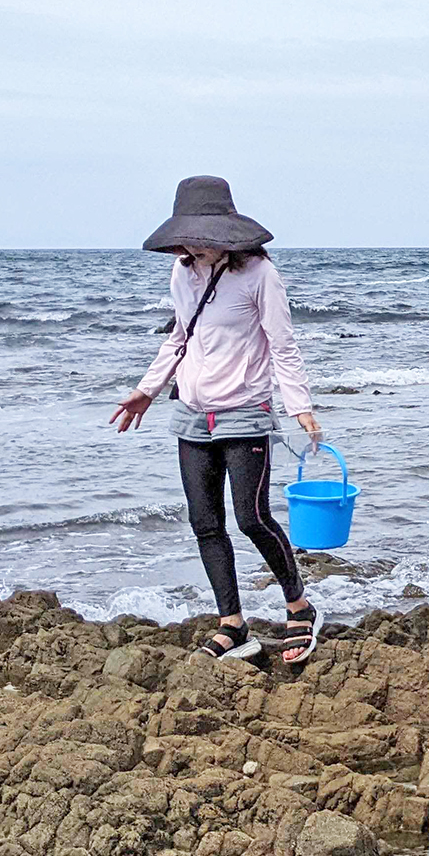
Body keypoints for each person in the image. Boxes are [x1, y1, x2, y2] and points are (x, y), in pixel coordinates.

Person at [109, 176, 325, 665]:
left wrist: (300, 408)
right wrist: (147, 390)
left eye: (201, 233)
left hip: (246, 411)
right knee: (205, 523)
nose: (191, 243)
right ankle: (233, 623)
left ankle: (299, 606)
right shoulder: (182, 275)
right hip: (190, 412)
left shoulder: (259, 275)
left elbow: (282, 345)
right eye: (186, 234)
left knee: (252, 518)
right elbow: (179, 338)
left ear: (226, 231)